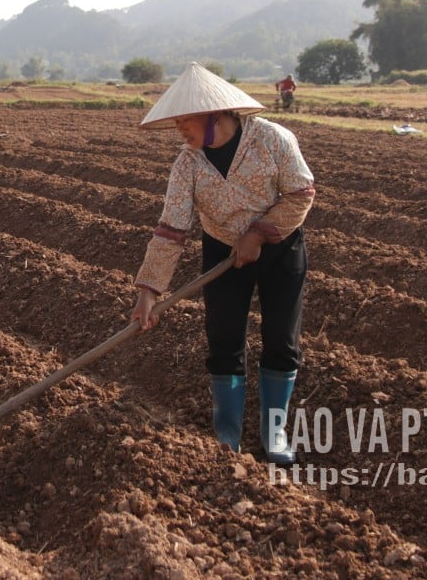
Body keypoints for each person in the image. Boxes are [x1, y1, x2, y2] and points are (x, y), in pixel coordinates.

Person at [130, 62, 316, 465]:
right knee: (224, 341)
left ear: (215, 114)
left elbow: (301, 194)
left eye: (186, 119)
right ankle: (227, 438)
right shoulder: (188, 164)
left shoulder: (273, 139)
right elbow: (171, 231)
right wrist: (148, 292)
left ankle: (275, 434)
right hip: (222, 254)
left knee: (281, 341)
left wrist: (258, 234)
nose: (181, 128)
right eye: (177, 121)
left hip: (280, 251)